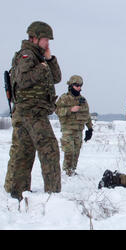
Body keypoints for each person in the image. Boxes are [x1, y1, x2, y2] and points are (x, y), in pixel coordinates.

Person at [4, 21, 62, 200]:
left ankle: (18, 191)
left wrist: (50, 59)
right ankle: (54, 195)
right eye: (46, 40)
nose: (48, 43)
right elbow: (23, 80)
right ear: (35, 38)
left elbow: (57, 78)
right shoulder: (27, 55)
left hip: (29, 112)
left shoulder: (39, 56)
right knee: (49, 149)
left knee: (24, 152)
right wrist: (42, 69)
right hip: (31, 112)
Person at [55, 75, 93, 176]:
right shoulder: (64, 98)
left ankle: (72, 169)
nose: (79, 88)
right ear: (71, 85)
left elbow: (87, 115)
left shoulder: (83, 100)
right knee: (69, 151)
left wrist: (90, 129)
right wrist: (70, 110)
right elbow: (56, 110)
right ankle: (67, 171)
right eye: (77, 85)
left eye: (80, 85)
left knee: (76, 152)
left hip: (78, 130)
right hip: (68, 129)